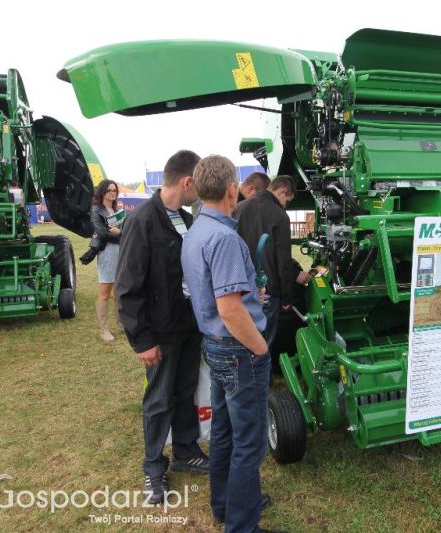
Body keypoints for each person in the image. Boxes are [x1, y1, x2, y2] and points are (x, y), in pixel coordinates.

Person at [181, 155, 274, 533]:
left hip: (215, 345)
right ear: (231, 189)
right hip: (237, 350)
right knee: (249, 443)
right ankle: (241, 525)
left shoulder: (198, 230)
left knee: (224, 432)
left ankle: (225, 505)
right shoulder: (224, 237)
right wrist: (261, 347)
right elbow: (231, 310)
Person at [115, 150, 209, 506]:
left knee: (185, 390)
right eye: (197, 186)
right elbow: (127, 287)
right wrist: (142, 340)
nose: (198, 193)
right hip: (160, 331)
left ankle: (186, 449)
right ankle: (154, 468)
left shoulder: (186, 218)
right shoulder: (143, 221)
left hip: (188, 325)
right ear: (187, 182)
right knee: (158, 399)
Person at [234, 175, 310, 352]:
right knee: (263, 345)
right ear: (282, 192)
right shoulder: (279, 216)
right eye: (287, 201)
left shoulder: (239, 208)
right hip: (267, 292)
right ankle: (263, 379)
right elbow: (283, 262)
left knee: (245, 341)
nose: (286, 205)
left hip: (241, 289)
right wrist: (287, 298)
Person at [90, 179, 123, 342]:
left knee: (119, 290)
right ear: (102, 191)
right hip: (107, 252)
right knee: (105, 292)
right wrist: (120, 235)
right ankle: (103, 330)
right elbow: (102, 233)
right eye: (110, 190)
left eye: (115, 191)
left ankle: (121, 324)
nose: (112, 193)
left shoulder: (115, 209)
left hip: (120, 251)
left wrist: (120, 232)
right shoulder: (97, 210)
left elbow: (120, 230)